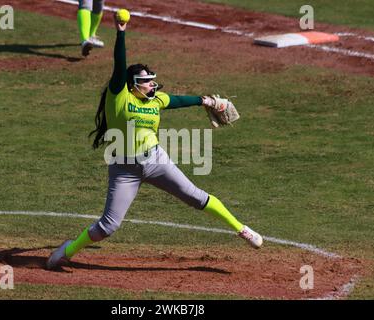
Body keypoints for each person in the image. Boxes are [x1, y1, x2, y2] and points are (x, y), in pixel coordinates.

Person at [46, 14, 263, 270]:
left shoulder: (156, 100)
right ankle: (67, 250)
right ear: (132, 85)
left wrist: (207, 101)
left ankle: (241, 229)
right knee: (109, 225)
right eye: (146, 81)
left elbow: (180, 100)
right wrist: (121, 32)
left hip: (156, 161)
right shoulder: (119, 97)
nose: (152, 84)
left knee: (196, 197)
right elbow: (119, 65)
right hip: (124, 169)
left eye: (152, 80)